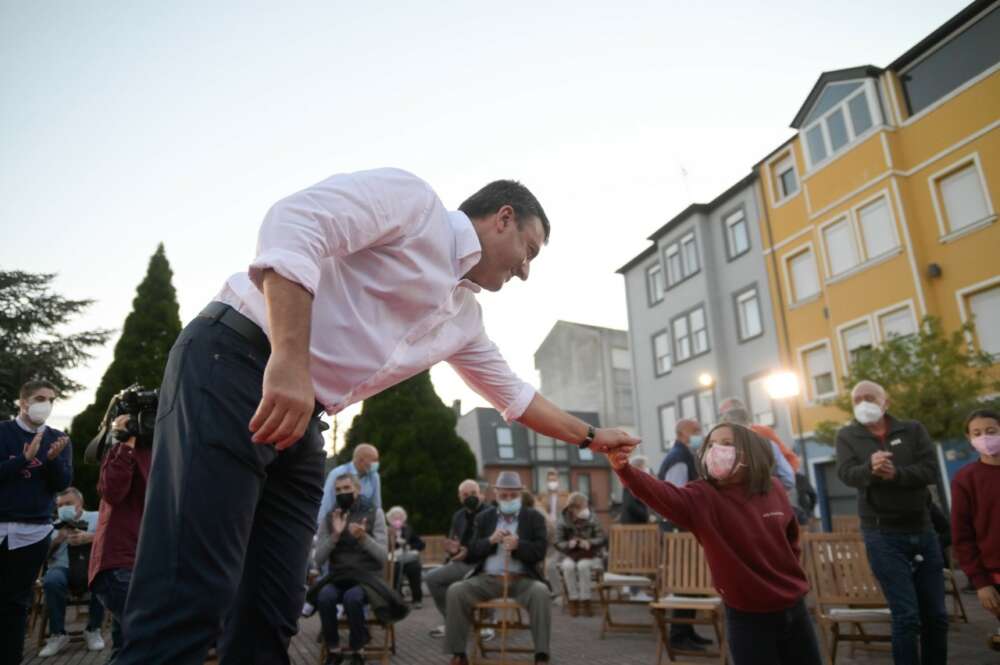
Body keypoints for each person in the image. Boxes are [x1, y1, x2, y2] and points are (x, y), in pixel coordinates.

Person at [115, 169, 637, 664]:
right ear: (503, 217)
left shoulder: (464, 318)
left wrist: (593, 438)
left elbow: (517, 397)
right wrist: (291, 359)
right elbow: (293, 220)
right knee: (191, 590)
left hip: (305, 412)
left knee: (271, 607)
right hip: (236, 360)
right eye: (529, 250)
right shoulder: (415, 206)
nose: (526, 270)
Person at [607, 424, 823, 665]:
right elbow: (661, 494)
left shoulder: (773, 487)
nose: (716, 450)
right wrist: (624, 469)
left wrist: (791, 578)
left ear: (748, 451)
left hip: (795, 607)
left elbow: (791, 539)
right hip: (747, 615)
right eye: (711, 444)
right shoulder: (702, 496)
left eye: (727, 444)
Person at [835, 380, 948, 665]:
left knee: (935, 614)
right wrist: (871, 470)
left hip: (922, 528)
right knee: (906, 616)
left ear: (886, 402)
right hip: (882, 534)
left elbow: (930, 470)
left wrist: (895, 474)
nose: (863, 403)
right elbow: (847, 474)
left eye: (869, 397)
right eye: (857, 399)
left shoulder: (912, 429)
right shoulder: (847, 435)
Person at [445, 471, 551, 665]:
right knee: (455, 591)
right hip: (488, 579)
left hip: (522, 579)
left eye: (513, 495)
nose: (508, 499)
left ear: (520, 494)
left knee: (541, 592)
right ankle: (459, 654)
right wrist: (490, 541)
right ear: (496, 494)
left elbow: (540, 551)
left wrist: (519, 546)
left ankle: (541, 655)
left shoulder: (534, 517)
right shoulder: (485, 518)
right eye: (504, 495)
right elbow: (473, 550)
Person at [0, 379, 71, 665]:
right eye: (41, 398)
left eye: (52, 400)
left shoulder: (58, 438)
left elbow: (63, 483)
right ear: (24, 402)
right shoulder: (3, 433)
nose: (47, 404)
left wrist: (53, 460)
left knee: (15, 604)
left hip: (33, 533)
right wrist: (23, 459)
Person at [88, 414, 153, 663]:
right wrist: (125, 441)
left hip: (146, 565)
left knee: (128, 647)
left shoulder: (161, 453)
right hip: (119, 566)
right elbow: (112, 492)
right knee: (151, 636)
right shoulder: (121, 448)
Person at [313, 473, 389, 665]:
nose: (342, 493)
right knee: (324, 596)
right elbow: (318, 559)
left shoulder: (374, 513)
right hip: (339, 577)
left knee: (352, 598)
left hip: (367, 578)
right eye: (338, 490)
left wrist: (363, 538)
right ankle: (334, 649)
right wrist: (335, 536)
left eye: (347, 488)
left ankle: (358, 649)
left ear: (358, 489)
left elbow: (382, 556)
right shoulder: (330, 517)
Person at [652, 418, 711, 650]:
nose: (700, 434)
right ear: (681, 434)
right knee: (684, 580)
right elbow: (674, 496)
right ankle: (678, 635)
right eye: (695, 431)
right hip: (678, 529)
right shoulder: (679, 457)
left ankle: (688, 629)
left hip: (683, 529)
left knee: (691, 579)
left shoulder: (686, 455)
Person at [950, 408, 1000, 651]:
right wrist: (981, 583)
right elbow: (962, 536)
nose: (985, 437)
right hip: (995, 577)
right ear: (969, 439)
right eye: (977, 433)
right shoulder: (965, 479)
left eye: (991, 431)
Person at [38, 487, 105, 657]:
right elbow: (41, 558)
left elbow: (113, 539)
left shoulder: (97, 517)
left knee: (102, 576)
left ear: (80, 503)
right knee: (51, 580)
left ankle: (93, 629)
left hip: (90, 566)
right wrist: (58, 539)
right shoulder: (51, 526)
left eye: (68, 503)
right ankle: (58, 634)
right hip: (61, 568)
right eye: (60, 505)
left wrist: (89, 537)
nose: (63, 508)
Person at [427, 480, 488, 638]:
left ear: (481, 494)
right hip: (461, 562)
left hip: (483, 563)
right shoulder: (458, 516)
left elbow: (489, 544)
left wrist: (466, 551)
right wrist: (452, 550)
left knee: (437, 578)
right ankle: (453, 621)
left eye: (473, 493)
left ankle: (487, 622)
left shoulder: (490, 513)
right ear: (460, 498)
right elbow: (454, 541)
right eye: (465, 495)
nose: (470, 497)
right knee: (432, 578)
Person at [717, 400, 795, 492]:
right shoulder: (769, 445)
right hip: (766, 498)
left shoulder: (719, 451)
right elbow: (788, 479)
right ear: (749, 423)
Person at [555, 492, 605, 617]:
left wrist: (589, 542)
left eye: (586, 506)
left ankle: (585, 600)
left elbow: (602, 538)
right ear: (573, 509)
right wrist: (568, 544)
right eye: (583, 507)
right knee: (567, 566)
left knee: (583, 566)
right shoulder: (563, 521)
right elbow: (557, 542)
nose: (586, 509)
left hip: (591, 555)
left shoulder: (593, 518)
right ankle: (573, 600)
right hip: (570, 554)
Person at [320, 444, 382, 519]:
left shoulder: (374, 476)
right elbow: (326, 503)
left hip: (363, 524)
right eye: (374, 460)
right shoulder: (337, 474)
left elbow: (376, 504)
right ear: (361, 460)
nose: (376, 463)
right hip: (339, 522)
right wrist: (321, 527)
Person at [386, 506, 425, 608]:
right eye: (394, 518)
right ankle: (397, 598)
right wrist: (392, 540)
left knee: (415, 567)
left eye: (400, 517)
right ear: (390, 519)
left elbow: (420, 544)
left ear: (403, 519)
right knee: (395, 569)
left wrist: (409, 547)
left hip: (406, 558)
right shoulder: (387, 530)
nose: (397, 520)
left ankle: (417, 599)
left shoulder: (408, 530)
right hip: (393, 560)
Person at [619, 456, 652, 525]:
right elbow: (630, 504)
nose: (647, 470)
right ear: (638, 468)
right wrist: (646, 515)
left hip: (637, 526)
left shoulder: (636, 483)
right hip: (632, 527)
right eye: (645, 467)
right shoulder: (631, 483)